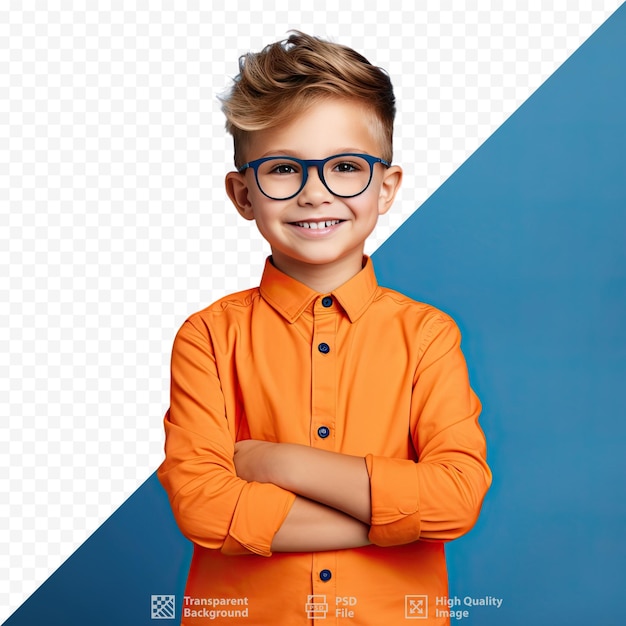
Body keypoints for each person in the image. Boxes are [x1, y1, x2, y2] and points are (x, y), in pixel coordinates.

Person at [157, 31, 491, 626]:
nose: (315, 194)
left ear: (386, 188)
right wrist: (390, 519)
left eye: (344, 167)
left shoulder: (428, 336)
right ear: (242, 194)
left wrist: (276, 463)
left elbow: (456, 497)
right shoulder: (207, 337)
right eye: (284, 168)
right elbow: (205, 510)